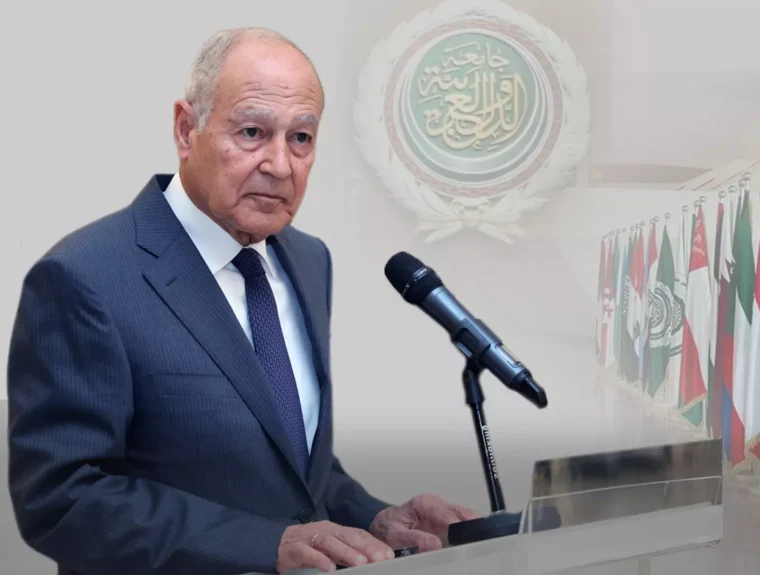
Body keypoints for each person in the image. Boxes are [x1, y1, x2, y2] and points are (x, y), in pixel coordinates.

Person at [6, 27, 477, 575]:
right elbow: (61, 498)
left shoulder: (308, 261)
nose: (280, 164)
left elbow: (289, 469)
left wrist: (374, 519)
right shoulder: (85, 277)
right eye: (252, 132)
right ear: (186, 130)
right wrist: (265, 544)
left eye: (301, 138)